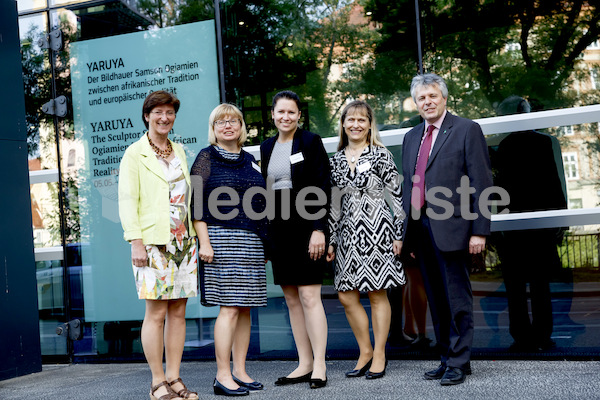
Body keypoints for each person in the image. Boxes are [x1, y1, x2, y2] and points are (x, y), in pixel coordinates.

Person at [400, 73, 493, 386]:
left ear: (444, 98)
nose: (427, 102)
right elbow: (409, 187)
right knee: (436, 300)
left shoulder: (467, 129)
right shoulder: (411, 136)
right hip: (421, 229)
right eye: (422, 98)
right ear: (416, 103)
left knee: (456, 299)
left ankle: (459, 360)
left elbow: (482, 184)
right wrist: (409, 233)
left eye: (432, 96)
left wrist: (479, 231)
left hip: (454, 229)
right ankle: (446, 358)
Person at [118, 90, 198, 400]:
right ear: (147, 116)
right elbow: (128, 202)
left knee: (178, 312)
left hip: (183, 241)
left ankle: (175, 377)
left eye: (169, 112)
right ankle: (157, 382)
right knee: (156, 313)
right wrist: (136, 242)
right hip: (152, 242)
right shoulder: (134, 153)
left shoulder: (178, 150)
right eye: (158, 112)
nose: (164, 118)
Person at [190, 104, 269, 397]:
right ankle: (222, 376)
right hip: (221, 240)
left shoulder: (250, 159)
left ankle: (240, 370)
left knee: (245, 307)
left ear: (240, 126)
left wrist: (264, 241)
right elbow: (196, 204)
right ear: (213, 128)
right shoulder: (206, 157)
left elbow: (261, 204)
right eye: (220, 121)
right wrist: (205, 241)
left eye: (233, 120)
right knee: (230, 308)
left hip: (250, 241)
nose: (227, 125)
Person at [326, 100, 405, 379]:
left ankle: (380, 353)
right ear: (343, 124)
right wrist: (332, 240)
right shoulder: (334, 160)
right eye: (351, 119)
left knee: (377, 293)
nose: (356, 124)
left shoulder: (381, 155)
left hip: (378, 231)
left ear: (370, 124)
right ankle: (365, 350)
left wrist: (398, 234)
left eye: (362, 120)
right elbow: (334, 203)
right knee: (346, 296)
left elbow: (397, 196)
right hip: (348, 234)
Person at [260, 90, 331, 389]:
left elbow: (323, 186)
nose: (286, 117)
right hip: (279, 228)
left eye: (292, 112)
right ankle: (304, 363)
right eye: (281, 112)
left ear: (298, 115)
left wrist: (319, 229)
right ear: (273, 115)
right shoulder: (265, 147)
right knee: (291, 299)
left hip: (306, 225)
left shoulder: (311, 142)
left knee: (309, 296)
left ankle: (320, 365)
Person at [494, 95, 568, 351]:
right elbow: (555, 181)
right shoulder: (544, 143)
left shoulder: (503, 146)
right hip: (541, 223)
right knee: (540, 283)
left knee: (515, 284)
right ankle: (542, 335)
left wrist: (495, 223)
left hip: (513, 224)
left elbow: (497, 188)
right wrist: (561, 220)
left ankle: (521, 336)